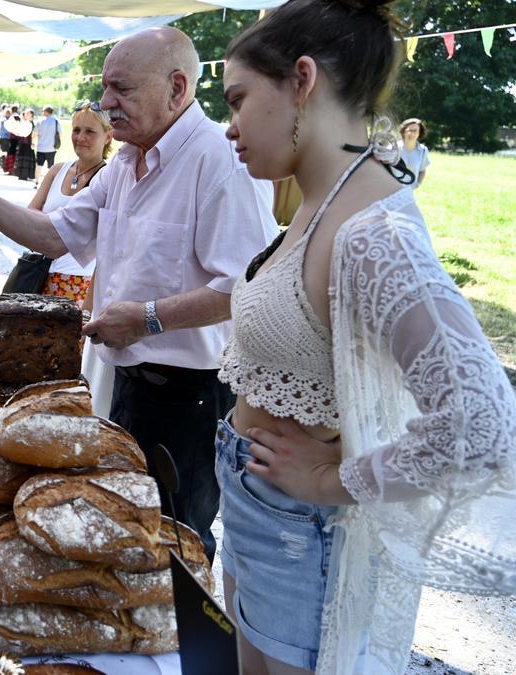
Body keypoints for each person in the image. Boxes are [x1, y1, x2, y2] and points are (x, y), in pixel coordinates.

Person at [218, 1, 516, 672]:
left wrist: (331, 479)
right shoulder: (322, 196)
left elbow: (481, 418)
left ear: (301, 80)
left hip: (299, 529)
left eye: (238, 100)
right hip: (262, 508)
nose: (231, 127)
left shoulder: (375, 235)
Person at [0, 27, 277, 561]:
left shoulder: (219, 165)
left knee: (172, 544)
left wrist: (147, 320)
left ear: (177, 88)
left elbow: (246, 287)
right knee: (123, 533)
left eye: (121, 89)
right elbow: (53, 234)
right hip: (126, 382)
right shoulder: (125, 162)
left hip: (189, 397)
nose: (105, 103)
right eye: (105, 88)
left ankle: (185, 643)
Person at [27, 101, 112, 301]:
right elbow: (30, 213)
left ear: (108, 136)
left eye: (90, 131)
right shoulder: (58, 171)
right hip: (38, 272)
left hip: (79, 281)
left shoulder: (109, 178)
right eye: (76, 130)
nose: (80, 138)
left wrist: (49, 224)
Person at [399, 117, 430, 187]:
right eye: (409, 130)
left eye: (415, 131)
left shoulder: (423, 150)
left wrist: (417, 184)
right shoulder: (393, 148)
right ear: (404, 132)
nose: (412, 133)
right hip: (391, 190)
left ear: (419, 133)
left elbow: (422, 171)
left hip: (409, 191)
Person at [34, 105, 61, 186]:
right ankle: (49, 184)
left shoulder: (40, 121)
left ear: (46, 111)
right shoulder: (56, 121)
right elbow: (60, 133)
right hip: (51, 148)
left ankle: (37, 182)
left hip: (40, 147)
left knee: (39, 165)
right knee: (50, 167)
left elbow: (35, 133)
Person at [11, 109, 37, 182]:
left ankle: (25, 174)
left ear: (31, 115)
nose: (25, 115)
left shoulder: (31, 123)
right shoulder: (24, 122)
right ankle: (21, 174)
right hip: (22, 142)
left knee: (27, 158)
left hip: (28, 143)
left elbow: (33, 134)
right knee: (21, 157)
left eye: (27, 114)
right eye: (25, 113)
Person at [0, 106, 13, 171]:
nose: (8, 114)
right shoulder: (2, 120)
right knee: (3, 150)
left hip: (9, 138)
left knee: (6, 151)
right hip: (3, 137)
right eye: (7, 113)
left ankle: (4, 163)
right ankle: (2, 162)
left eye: (9, 113)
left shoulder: (11, 120)